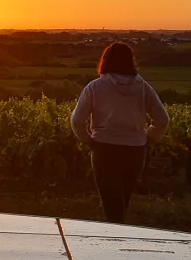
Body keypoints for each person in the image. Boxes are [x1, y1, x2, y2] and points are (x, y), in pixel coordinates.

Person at [70, 42, 169, 224]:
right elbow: (162, 120)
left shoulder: (95, 87)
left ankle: (113, 241)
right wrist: (149, 138)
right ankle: (119, 237)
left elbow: (76, 120)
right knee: (123, 199)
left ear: (105, 60)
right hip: (135, 150)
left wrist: (87, 141)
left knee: (111, 203)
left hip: (104, 148)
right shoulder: (144, 87)